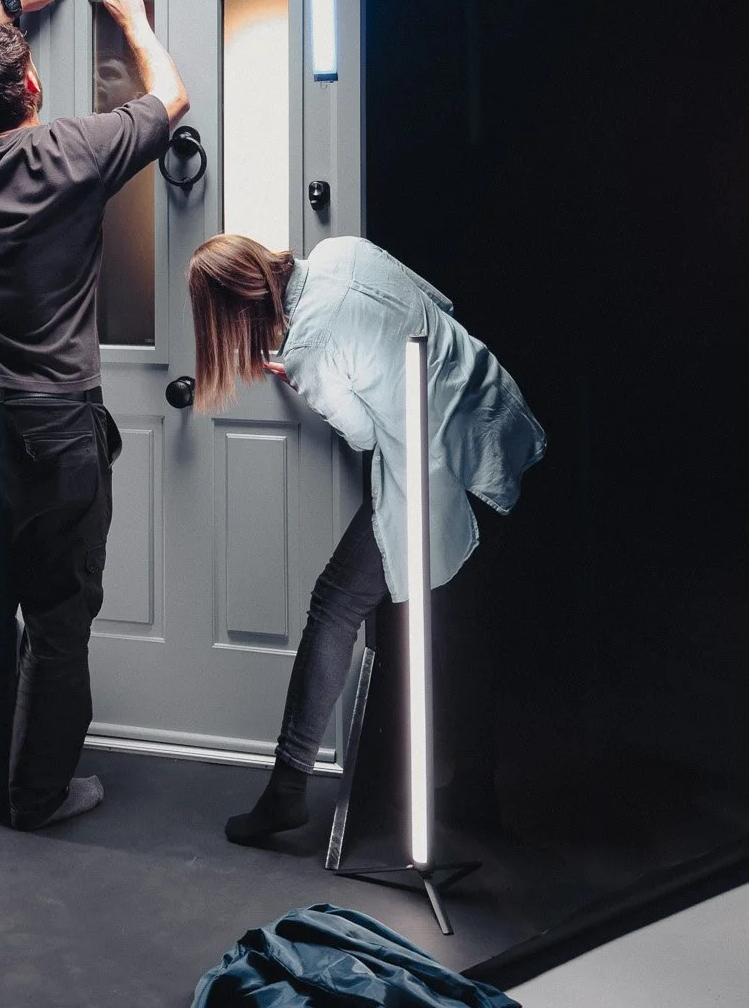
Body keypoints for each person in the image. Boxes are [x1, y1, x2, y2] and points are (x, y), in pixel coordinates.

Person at [0, 0, 189, 830]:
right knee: (59, 618)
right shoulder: (73, 150)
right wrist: (131, 19)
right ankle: (39, 794)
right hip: (61, 427)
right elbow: (173, 96)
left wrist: (4, 3)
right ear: (32, 87)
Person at [187, 232, 545, 844]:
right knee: (459, 627)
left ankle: (286, 790)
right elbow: (440, 302)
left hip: (442, 472)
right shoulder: (339, 250)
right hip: (492, 411)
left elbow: (360, 435)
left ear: (235, 314)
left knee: (336, 605)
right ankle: (476, 793)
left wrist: (301, 378)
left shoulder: (309, 347)